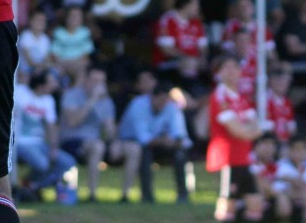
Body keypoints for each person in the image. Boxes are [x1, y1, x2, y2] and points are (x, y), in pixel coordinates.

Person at [207, 55, 264, 223]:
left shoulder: (240, 97)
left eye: (235, 67)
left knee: (253, 198)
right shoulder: (220, 96)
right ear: (219, 73)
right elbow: (237, 130)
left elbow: (254, 123)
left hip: (243, 156)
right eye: (226, 68)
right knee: (228, 197)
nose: (232, 72)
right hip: (227, 156)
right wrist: (251, 131)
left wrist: (250, 130)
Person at [118, 82, 192, 203]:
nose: (163, 104)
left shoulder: (171, 106)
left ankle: (183, 195)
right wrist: (164, 140)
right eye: (160, 100)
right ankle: (147, 196)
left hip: (159, 143)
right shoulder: (139, 105)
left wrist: (174, 141)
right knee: (144, 152)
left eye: (165, 101)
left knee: (180, 153)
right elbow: (143, 138)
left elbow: (180, 134)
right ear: (152, 97)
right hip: (131, 142)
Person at [13, 70, 77, 201]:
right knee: (42, 164)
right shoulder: (19, 92)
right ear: (41, 85)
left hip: (39, 143)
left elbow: (51, 126)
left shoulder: (48, 100)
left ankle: (30, 185)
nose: (55, 85)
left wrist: (53, 148)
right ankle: (27, 187)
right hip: (19, 142)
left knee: (67, 162)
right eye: (51, 82)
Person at [59, 66, 119, 202]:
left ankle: (126, 196)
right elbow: (73, 121)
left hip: (94, 142)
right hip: (70, 140)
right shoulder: (72, 95)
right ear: (86, 80)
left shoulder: (106, 101)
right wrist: (92, 100)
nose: (98, 84)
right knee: (97, 146)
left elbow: (110, 130)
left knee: (132, 149)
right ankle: (92, 194)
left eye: (101, 81)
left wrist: (114, 142)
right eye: (94, 80)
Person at [153, 0, 208, 75]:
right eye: (195, 4)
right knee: (190, 63)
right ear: (184, 4)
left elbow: (203, 46)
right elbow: (167, 50)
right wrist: (187, 58)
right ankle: (189, 87)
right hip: (168, 63)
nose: (198, 8)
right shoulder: (168, 20)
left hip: (194, 61)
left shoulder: (196, 22)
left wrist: (202, 58)